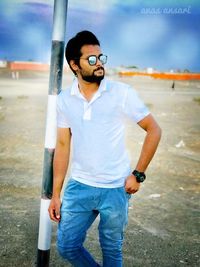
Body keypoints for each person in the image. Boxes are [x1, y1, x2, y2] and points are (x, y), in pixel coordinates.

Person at [48, 30, 161, 267]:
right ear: (74, 65)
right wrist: (56, 193)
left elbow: (154, 129)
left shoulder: (121, 93)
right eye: (91, 59)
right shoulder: (64, 100)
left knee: (112, 251)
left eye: (101, 58)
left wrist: (138, 174)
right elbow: (62, 145)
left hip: (116, 189)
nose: (99, 64)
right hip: (79, 187)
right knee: (67, 247)